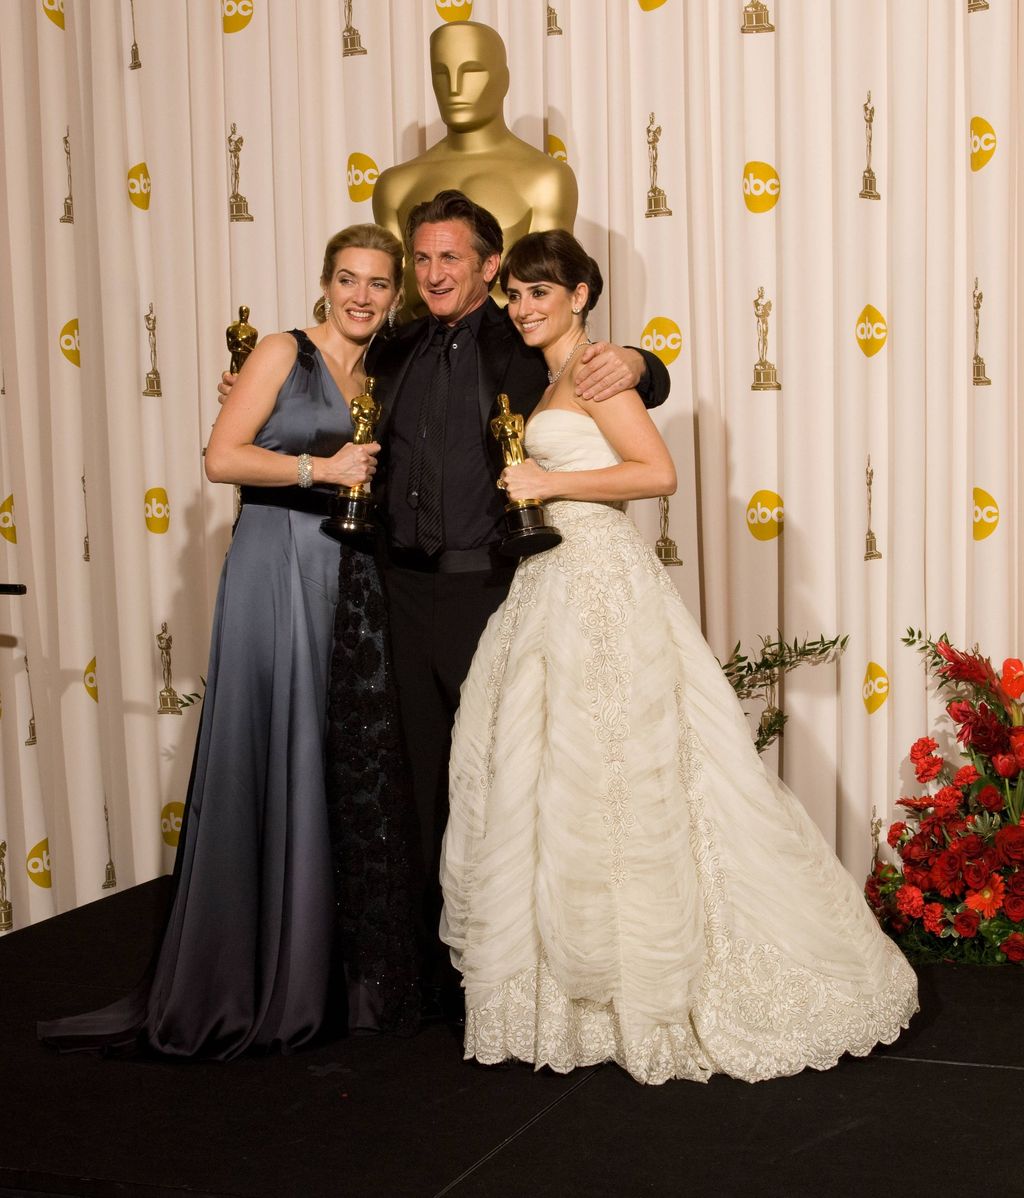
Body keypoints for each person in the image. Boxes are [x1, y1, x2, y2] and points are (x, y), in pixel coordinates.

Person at [439, 229, 918, 1084]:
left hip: (596, 576)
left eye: (540, 292)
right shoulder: (546, 374)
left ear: (582, 294)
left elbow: (655, 472)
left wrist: (549, 484)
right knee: (567, 779)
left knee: (629, 772)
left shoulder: (594, 370)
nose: (523, 306)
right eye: (513, 293)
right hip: (553, 582)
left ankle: (650, 985)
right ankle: (579, 994)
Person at [219, 190, 671, 1017]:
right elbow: (326, 387)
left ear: (489, 268)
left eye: (450, 259)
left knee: (500, 779)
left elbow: (596, 362)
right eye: (420, 260)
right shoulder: (388, 347)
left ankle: (516, 971)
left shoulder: (525, 336)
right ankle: (428, 971)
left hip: (491, 589)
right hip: (395, 587)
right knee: (415, 779)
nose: (431, 274)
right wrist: (255, 385)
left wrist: (643, 362)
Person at [39, 224, 417, 1058]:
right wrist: (324, 470)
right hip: (276, 563)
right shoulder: (284, 349)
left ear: (396, 295)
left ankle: (322, 969)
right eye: (349, 279)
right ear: (325, 283)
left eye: (379, 284)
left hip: (350, 574)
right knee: (275, 747)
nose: (362, 295)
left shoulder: (380, 369)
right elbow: (220, 458)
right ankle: (249, 974)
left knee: (331, 757)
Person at [372, 20, 577, 316]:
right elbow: (391, 300)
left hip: (514, 356)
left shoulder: (546, 179)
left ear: (503, 80)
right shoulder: (395, 185)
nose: (454, 88)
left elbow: (548, 294)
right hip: (417, 356)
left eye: (471, 72)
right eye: (441, 74)